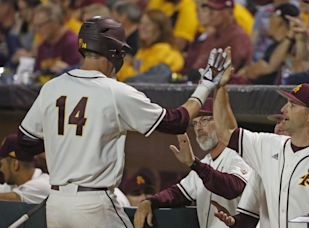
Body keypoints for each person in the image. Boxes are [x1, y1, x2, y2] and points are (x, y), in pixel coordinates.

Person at [17, 16, 230, 228]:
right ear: (115, 52)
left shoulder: (52, 87)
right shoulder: (116, 92)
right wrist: (205, 86)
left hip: (56, 203)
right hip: (93, 204)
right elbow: (177, 122)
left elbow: (25, 142)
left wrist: (63, 146)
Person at [213, 62, 309, 228]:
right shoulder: (268, 145)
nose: (283, 109)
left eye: (292, 105)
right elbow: (224, 133)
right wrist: (220, 87)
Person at [134, 98, 252, 228]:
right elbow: (178, 193)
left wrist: (195, 164)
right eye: (195, 123)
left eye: (204, 120)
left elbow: (232, 188)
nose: (198, 128)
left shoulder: (239, 154)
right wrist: (150, 202)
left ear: (221, 121)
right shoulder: (205, 162)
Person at [213, 114, 287, 228]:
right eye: (278, 122)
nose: (280, 126)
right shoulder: (264, 164)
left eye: (285, 120)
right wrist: (233, 221)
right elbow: (248, 217)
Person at [0, 133, 49, 203]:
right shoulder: (13, 185)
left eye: (1, 164)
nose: (1, 169)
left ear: (15, 164)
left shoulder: (42, 184)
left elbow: (12, 197)